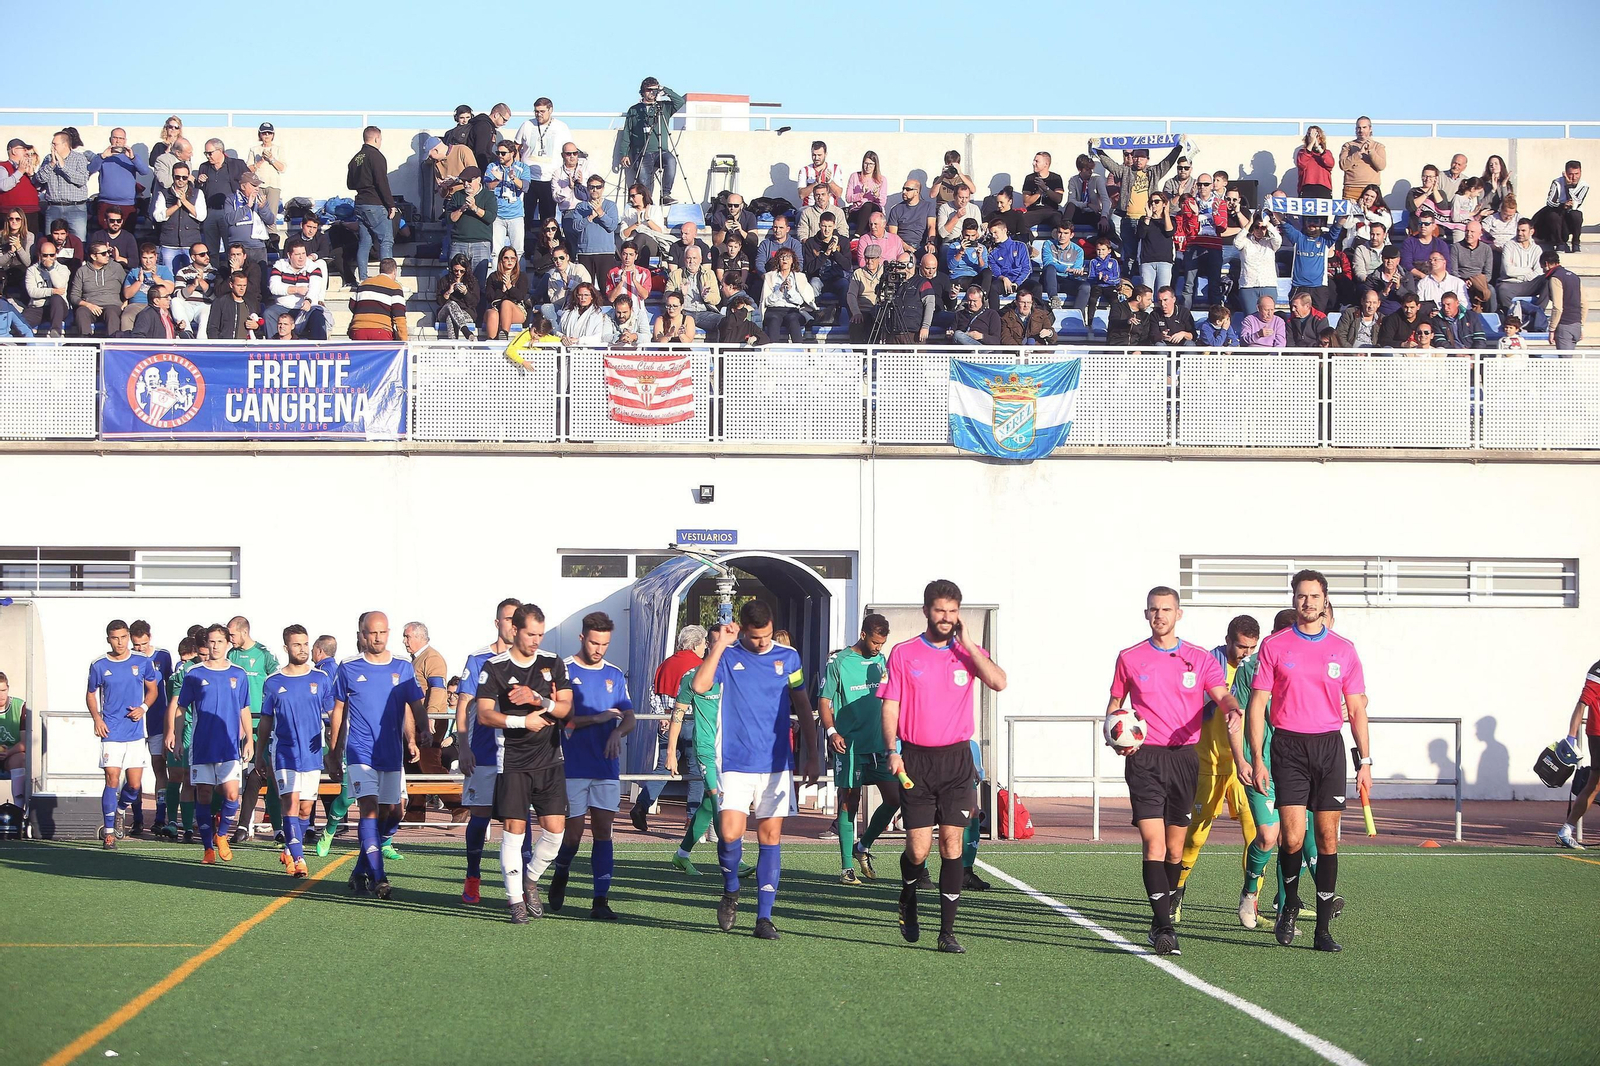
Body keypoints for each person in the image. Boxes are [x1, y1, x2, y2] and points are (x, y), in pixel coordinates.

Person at [1107, 587, 1238, 956]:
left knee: (1175, 849)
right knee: (1154, 843)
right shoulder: (1130, 657)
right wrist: (1113, 732)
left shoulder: (1198, 657)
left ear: (1178, 614)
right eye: (1153, 610)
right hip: (1145, 758)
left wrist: (1232, 708)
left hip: (1185, 759)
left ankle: (1160, 914)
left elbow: (1220, 692)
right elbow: (1116, 702)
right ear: (1146, 614)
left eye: (1166, 609)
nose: (1159, 615)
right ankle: (1164, 928)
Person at [1245, 571, 1370, 953]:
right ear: (1294, 599)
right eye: (1301, 596)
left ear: (1325, 600)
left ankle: (1323, 929)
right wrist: (1257, 758)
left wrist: (1365, 761)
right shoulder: (1274, 645)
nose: (1308, 602)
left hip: (1329, 748)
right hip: (1289, 748)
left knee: (1329, 838)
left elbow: (1357, 708)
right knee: (1294, 836)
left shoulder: (1344, 648)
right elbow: (1257, 706)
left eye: (1314, 596)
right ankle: (1288, 910)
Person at [880, 580, 1006, 954]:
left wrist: (968, 645)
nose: (947, 618)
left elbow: (999, 682)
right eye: (940, 611)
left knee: (952, 842)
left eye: (953, 611)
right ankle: (907, 895)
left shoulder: (968, 653)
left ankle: (947, 932)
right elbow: (890, 706)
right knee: (918, 850)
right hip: (915, 760)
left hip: (956, 761)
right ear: (926, 611)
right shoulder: (903, 653)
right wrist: (893, 748)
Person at [690, 600, 819, 941]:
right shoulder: (729, 656)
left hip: (776, 764)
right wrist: (719, 644)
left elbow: (802, 704)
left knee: (770, 838)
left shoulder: (788, 658)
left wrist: (813, 753)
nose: (762, 642)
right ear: (743, 630)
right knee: (730, 834)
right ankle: (731, 890)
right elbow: (699, 687)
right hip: (734, 762)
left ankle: (764, 919)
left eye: (765, 636)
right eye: (755, 636)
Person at [474, 603, 572, 922]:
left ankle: (530, 880)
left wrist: (539, 700)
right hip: (513, 761)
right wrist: (521, 722)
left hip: (550, 759)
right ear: (515, 630)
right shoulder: (495, 667)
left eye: (540, 634)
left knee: (556, 832)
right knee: (514, 831)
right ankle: (515, 900)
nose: (536, 640)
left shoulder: (553, 663)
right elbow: (484, 714)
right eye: (531, 633)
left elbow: (565, 709)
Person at [544, 613, 634, 920]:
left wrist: (617, 731)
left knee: (603, 832)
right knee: (571, 835)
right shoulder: (564, 670)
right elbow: (557, 718)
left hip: (606, 768)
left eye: (605, 643)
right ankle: (562, 871)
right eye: (594, 642)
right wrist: (596, 719)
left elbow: (629, 716)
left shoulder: (615, 674)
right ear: (582, 638)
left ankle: (600, 900)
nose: (599, 649)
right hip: (571, 767)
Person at [327, 612, 423, 900]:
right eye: (372, 633)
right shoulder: (348, 668)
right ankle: (379, 877)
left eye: (382, 632)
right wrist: (334, 752)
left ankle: (360, 869)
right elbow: (338, 713)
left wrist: (419, 734)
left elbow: (414, 703)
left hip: (391, 752)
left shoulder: (403, 668)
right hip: (360, 752)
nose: (378, 637)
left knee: (393, 813)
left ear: (388, 633)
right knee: (368, 809)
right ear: (362, 634)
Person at [1175, 616, 1261, 907]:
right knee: (1195, 838)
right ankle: (1176, 893)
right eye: (1240, 646)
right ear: (1227, 641)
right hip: (1207, 765)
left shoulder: (1259, 668)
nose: (1245, 653)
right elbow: (1188, 703)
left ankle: (1251, 903)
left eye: (1251, 647)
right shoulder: (1208, 664)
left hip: (1243, 767)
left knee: (1257, 835)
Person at [817, 615, 902, 886]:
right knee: (848, 802)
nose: (878, 647)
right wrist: (832, 732)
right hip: (850, 746)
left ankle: (863, 846)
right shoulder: (839, 662)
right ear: (863, 634)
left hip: (879, 745)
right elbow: (824, 701)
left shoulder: (882, 660)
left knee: (895, 798)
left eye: (882, 643)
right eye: (875, 642)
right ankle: (845, 868)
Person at [170, 624, 253, 863]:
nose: (215, 646)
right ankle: (207, 848)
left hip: (228, 746)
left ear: (228, 644)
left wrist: (249, 738)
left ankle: (223, 835)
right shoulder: (195, 673)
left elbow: (244, 708)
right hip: (202, 745)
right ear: (206, 644)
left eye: (220, 641)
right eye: (212, 641)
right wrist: (176, 737)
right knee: (204, 794)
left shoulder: (238, 673)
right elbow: (181, 708)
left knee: (231, 796)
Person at [257, 626, 330, 878]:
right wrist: (259, 753)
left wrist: (335, 740)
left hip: (312, 753)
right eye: (297, 644)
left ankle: (290, 849)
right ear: (286, 647)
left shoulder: (320, 678)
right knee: (290, 802)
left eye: (305, 644)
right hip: (284, 752)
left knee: (305, 809)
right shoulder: (274, 681)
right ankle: (299, 860)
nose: (302, 649)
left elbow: (333, 713)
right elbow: (266, 720)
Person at [86, 619, 160, 848]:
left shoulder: (142, 661)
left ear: (128, 637)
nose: (119, 642)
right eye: (115, 638)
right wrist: (97, 718)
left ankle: (120, 809)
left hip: (136, 733)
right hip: (111, 731)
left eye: (123, 637)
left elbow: (153, 689)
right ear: (108, 639)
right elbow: (90, 694)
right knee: (112, 779)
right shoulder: (99, 664)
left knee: (135, 785)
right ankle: (108, 833)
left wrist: (144, 708)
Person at [227, 616, 283, 845]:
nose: (229, 639)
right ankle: (242, 826)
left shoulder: (263, 654)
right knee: (247, 775)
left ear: (243, 632)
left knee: (268, 773)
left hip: (263, 723)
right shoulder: (231, 655)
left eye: (232, 634)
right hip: (239, 724)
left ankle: (278, 828)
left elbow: (278, 679)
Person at [1093, 140, 1184, 268]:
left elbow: (1167, 162)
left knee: (1145, 256)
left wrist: (1178, 147)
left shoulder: (1154, 172)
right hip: (1128, 220)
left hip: (1148, 221)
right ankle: (1129, 285)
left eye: (1142, 157)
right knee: (1130, 256)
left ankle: (1143, 286)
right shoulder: (1125, 171)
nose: (1138, 160)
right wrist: (1097, 150)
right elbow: (1110, 165)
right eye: (1136, 156)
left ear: (1147, 159)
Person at [1556, 658, 1600, 849]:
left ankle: (1565, 831)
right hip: (1598, 732)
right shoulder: (1598, 670)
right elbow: (1582, 703)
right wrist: (1571, 737)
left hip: (1595, 734)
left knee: (1594, 784)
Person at [621, 78, 685, 204]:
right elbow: (627, 132)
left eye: (654, 90)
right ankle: (648, 208)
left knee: (671, 161)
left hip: (661, 150)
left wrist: (664, 89)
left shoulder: (663, 107)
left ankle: (665, 194)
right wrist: (623, 154)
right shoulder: (634, 110)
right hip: (641, 152)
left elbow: (680, 101)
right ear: (642, 92)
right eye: (648, 90)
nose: (651, 93)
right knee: (644, 187)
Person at [348, 127, 397, 281]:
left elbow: (350, 184)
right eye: (380, 139)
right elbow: (382, 182)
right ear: (376, 138)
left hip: (360, 204)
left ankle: (363, 278)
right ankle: (387, 280)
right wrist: (391, 204)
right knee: (386, 240)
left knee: (365, 242)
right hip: (375, 204)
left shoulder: (355, 158)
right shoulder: (376, 156)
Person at [515, 98, 571, 226]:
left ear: (550, 110)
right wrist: (518, 168)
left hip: (550, 178)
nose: (538, 114)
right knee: (526, 215)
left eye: (542, 111)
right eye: (536, 111)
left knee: (548, 217)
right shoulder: (527, 125)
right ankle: (526, 243)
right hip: (528, 178)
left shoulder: (561, 127)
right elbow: (516, 147)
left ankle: (547, 244)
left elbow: (568, 149)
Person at [38, 131, 92, 240]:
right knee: (50, 240)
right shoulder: (48, 159)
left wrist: (63, 167)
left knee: (78, 241)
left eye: (55, 144)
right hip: (54, 207)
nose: (52, 146)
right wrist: (52, 164)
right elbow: (40, 179)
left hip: (76, 208)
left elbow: (82, 180)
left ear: (65, 145)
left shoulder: (79, 159)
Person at [1280, 215, 1340, 312]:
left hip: (1319, 288)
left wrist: (1348, 207)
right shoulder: (1298, 238)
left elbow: (1339, 224)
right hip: (1299, 286)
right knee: (1297, 319)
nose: (1312, 224)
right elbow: (1282, 221)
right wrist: (1272, 203)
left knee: (1318, 320)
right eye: (1309, 220)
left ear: (1321, 223)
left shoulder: (1326, 240)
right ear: (1305, 222)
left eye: (1316, 221)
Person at [565, 177, 618, 283]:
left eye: (598, 187)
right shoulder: (580, 207)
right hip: (585, 252)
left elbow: (612, 226)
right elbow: (576, 227)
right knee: (587, 288)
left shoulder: (610, 205)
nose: (595, 190)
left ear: (602, 188)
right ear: (588, 188)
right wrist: (590, 217)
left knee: (606, 288)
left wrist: (601, 213)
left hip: (606, 252)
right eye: (591, 187)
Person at [68, 241, 126, 337]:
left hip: (112, 305)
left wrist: (126, 302)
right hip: (90, 306)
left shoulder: (116, 268)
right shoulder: (82, 271)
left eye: (108, 252)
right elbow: (74, 296)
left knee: (111, 313)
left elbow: (127, 287)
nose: (107, 255)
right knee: (81, 312)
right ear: (93, 256)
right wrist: (88, 305)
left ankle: (111, 346)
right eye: (103, 254)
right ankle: (86, 344)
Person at [484, 141, 529, 259]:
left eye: (503, 153)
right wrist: (499, 179)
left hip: (516, 215)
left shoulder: (522, 167)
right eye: (498, 152)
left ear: (512, 153)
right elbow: (488, 186)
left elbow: (525, 186)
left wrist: (512, 177)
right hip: (497, 215)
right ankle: (496, 276)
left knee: (518, 251)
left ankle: (518, 277)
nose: (500, 155)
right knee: (495, 252)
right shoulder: (492, 167)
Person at [760, 248, 815, 343]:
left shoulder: (800, 276)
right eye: (782, 257)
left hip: (792, 309)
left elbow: (801, 301)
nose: (785, 259)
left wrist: (790, 290)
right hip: (773, 309)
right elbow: (767, 301)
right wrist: (780, 291)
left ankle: (799, 352)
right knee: (774, 319)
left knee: (793, 319)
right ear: (778, 260)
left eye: (788, 257)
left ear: (793, 260)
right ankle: (772, 353)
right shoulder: (769, 276)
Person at [1232, 209, 1281, 313]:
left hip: (1268, 285)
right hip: (1248, 286)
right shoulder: (1245, 242)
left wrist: (1267, 223)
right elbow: (1237, 242)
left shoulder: (1270, 243)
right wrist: (1249, 223)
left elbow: (1278, 239)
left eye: (1262, 228)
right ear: (1252, 228)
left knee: (1268, 319)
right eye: (1256, 227)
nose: (1259, 230)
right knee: (1250, 318)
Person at [1534, 161, 1587, 253]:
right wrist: (1562, 205)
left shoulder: (1584, 185)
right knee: (1553, 215)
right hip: (1558, 214)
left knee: (1576, 215)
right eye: (1570, 174)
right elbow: (1550, 202)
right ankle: (1559, 243)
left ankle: (1576, 243)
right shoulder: (1557, 183)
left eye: (1576, 174)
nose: (1573, 177)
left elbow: (1576, 204)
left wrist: (1568, 186)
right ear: (1565, 173)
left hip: (1571, 217)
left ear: (1580, 173)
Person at [349, 257, 408, 340]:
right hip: (381, 331)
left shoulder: (364, 283)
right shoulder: (395, 287)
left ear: (380, 270)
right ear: (394, 271)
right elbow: (399, 316)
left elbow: (352, 305)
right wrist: (404, 339)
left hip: (357, 330)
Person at [1495, 217, 1545, 315]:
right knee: (1502, 290)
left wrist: (1527, 276)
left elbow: (1539, 271)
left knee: (1548, 280)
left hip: (1530, 283)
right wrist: (1529, 271)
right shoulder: (1509, 245)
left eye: (1523, 231)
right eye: (1518, 230)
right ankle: (1513, 318)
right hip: (1511, 284)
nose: (1519, 233)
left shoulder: (1537, 249)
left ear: (1531, 232)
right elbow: (1508, 271)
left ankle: (1539, 313)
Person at [667, 244, 721, 334]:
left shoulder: (709, 274)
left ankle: (720, 348)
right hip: (683, 313)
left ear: (700, 260)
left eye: (695, 258)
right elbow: (667, 297)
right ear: (684, 260)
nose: (691, 261)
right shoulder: (675, 274)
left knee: (724, 321)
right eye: (689, 258)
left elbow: (717, 299)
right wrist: (680, 294)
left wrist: (706, 296)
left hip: (704, 313)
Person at [1542, 249, 1586, 352]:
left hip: (1564, 326)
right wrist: (1581, 325)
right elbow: (1584, 303)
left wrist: (1552, 329)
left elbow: (1558, 307)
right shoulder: (1575, 277)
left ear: (1546, 264)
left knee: (1564, 363)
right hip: (1576, 325)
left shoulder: (1555, 278)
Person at [22, 239, 69, 335]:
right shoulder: (32, 270)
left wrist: (51, 269)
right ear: (39, 255)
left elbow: (60, 285)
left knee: (56, 298)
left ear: (56, 255)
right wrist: (52, 291)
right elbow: (32, 292)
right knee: (20, 324)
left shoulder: (63, 269)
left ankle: (56, 331)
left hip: (58, 308)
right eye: (45, 255)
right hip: (38, 307)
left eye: (51, 255)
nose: (48, 258)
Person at [1337, 118, 1386, 202]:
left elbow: (1381, 166)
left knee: (1370, 215)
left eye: (1364, 127)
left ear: (1370, 129)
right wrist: (1358, 153)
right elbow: (1343, 165)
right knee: (1346, 215)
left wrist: (1371, 151)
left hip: (1371, 190)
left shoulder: (1378, 146)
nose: (1361, 130)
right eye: (1358, 128)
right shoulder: (1348, 146)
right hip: (1351, 189)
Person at [985, 217, 1032, 306]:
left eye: (995, 232)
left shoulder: (1020, 246)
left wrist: (1017, 283)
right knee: (993, 287)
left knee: (1037, 287)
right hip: (1004, 282)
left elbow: (1027, 268)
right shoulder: (993, 253)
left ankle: (1038, 317)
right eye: (991, 233)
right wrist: (1004, 279)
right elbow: (995, 272)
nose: (993, 236)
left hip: (1020, 281)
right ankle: (995, 317)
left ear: (1004, 230)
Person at [886, 178, 938, 255]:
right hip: (901, 245)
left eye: (908, 189)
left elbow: (931, 226)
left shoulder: (928, 206)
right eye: (903, 189)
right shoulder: (895, 209)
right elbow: (893, 235)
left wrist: (930, 242)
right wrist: (905, 246)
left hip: (921, 245)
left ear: (917, 191)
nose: (904, 192)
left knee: (932, 255)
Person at [0, 138, 41, 235]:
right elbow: (3, 186)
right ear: (14, 151)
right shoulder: (3, 166)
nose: (27, 152)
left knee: (31, 243)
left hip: (31, 213)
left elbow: (40, 188)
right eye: (24, 149)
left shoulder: (28, 168)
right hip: (11, 214)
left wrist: (31, 174)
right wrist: (20, 171)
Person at [434, 254, 480, 339]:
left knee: (450, 318)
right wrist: (448, 292)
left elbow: (474, 303)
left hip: (466, 312)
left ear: (466, 270)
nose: (458, 273)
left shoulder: (472, 281)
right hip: (445, 310)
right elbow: (439, 302)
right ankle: (466, 331)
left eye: (461, 271)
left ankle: (453, 346)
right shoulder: (444, 280)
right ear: (452, 269)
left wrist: (466, 292)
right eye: (456, 271)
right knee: (451, 304)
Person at [0, 672, 28, 809]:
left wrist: (9, 752)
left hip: (11, 754)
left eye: (3, 690)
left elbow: (25, 743)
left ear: (8, 688)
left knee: (21, 759)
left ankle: (18, 811)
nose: (1, 695)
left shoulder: (19, 706)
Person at [208, 269, 263, 339]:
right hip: (226, 346)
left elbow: (259, 332)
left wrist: (256, 327)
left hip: (246, 347)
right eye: (239, 285)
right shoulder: (220, 302)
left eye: (244, 285)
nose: (242, 288)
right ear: (231, 285)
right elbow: (212, 328)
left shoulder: (250, 303)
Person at [1020, 151, 1065, 234]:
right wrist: (1039, 192)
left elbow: (1058, 199)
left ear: (1046, 164)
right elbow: (1026, 202)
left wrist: (1046, 188)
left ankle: (1055, 242)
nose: (1033, 163)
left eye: (1037, 161)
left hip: (1051, 211)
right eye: (1034, 161)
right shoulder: (1029, 178)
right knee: (1020, 220)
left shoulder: (1056, 178)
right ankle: (1028, 242)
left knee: (1058, 220)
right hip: (1034, 211)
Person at [620, 183, 671, 257]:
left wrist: (647, 219)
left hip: (651, 244)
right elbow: (623, 235)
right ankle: (632, 258)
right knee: (630, 244)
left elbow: (660, 231)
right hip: (631, 244)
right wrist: (636, 224)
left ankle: (630, 260)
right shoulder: (629, 212)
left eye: (633, 196)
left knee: (641, 236)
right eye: (630, 196)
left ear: (642, 195)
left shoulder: (654, 209)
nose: (631, 199)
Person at [846, 151, 887, 235]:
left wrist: (877, 195)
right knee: (865, 210)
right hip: (857, 210)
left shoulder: (882, 179)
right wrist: (861, 193)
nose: (868, 167)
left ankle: (858, 234)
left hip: (874, 210)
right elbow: (848, 198)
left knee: (868, 205)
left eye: (871, 164)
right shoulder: (854, 176)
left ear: (875, 165)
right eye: (866, 163)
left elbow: (883, 202)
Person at [1294, 127, 1335, 200]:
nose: (1313, 137)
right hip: (1307, 187)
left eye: (1316, 135)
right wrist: (1311, 143)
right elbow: (1301, 163)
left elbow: (1330, 164)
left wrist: (1318, 147)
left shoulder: (1326, 152)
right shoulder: (1302, 152)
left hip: (1324, 188)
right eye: (1310, 134)